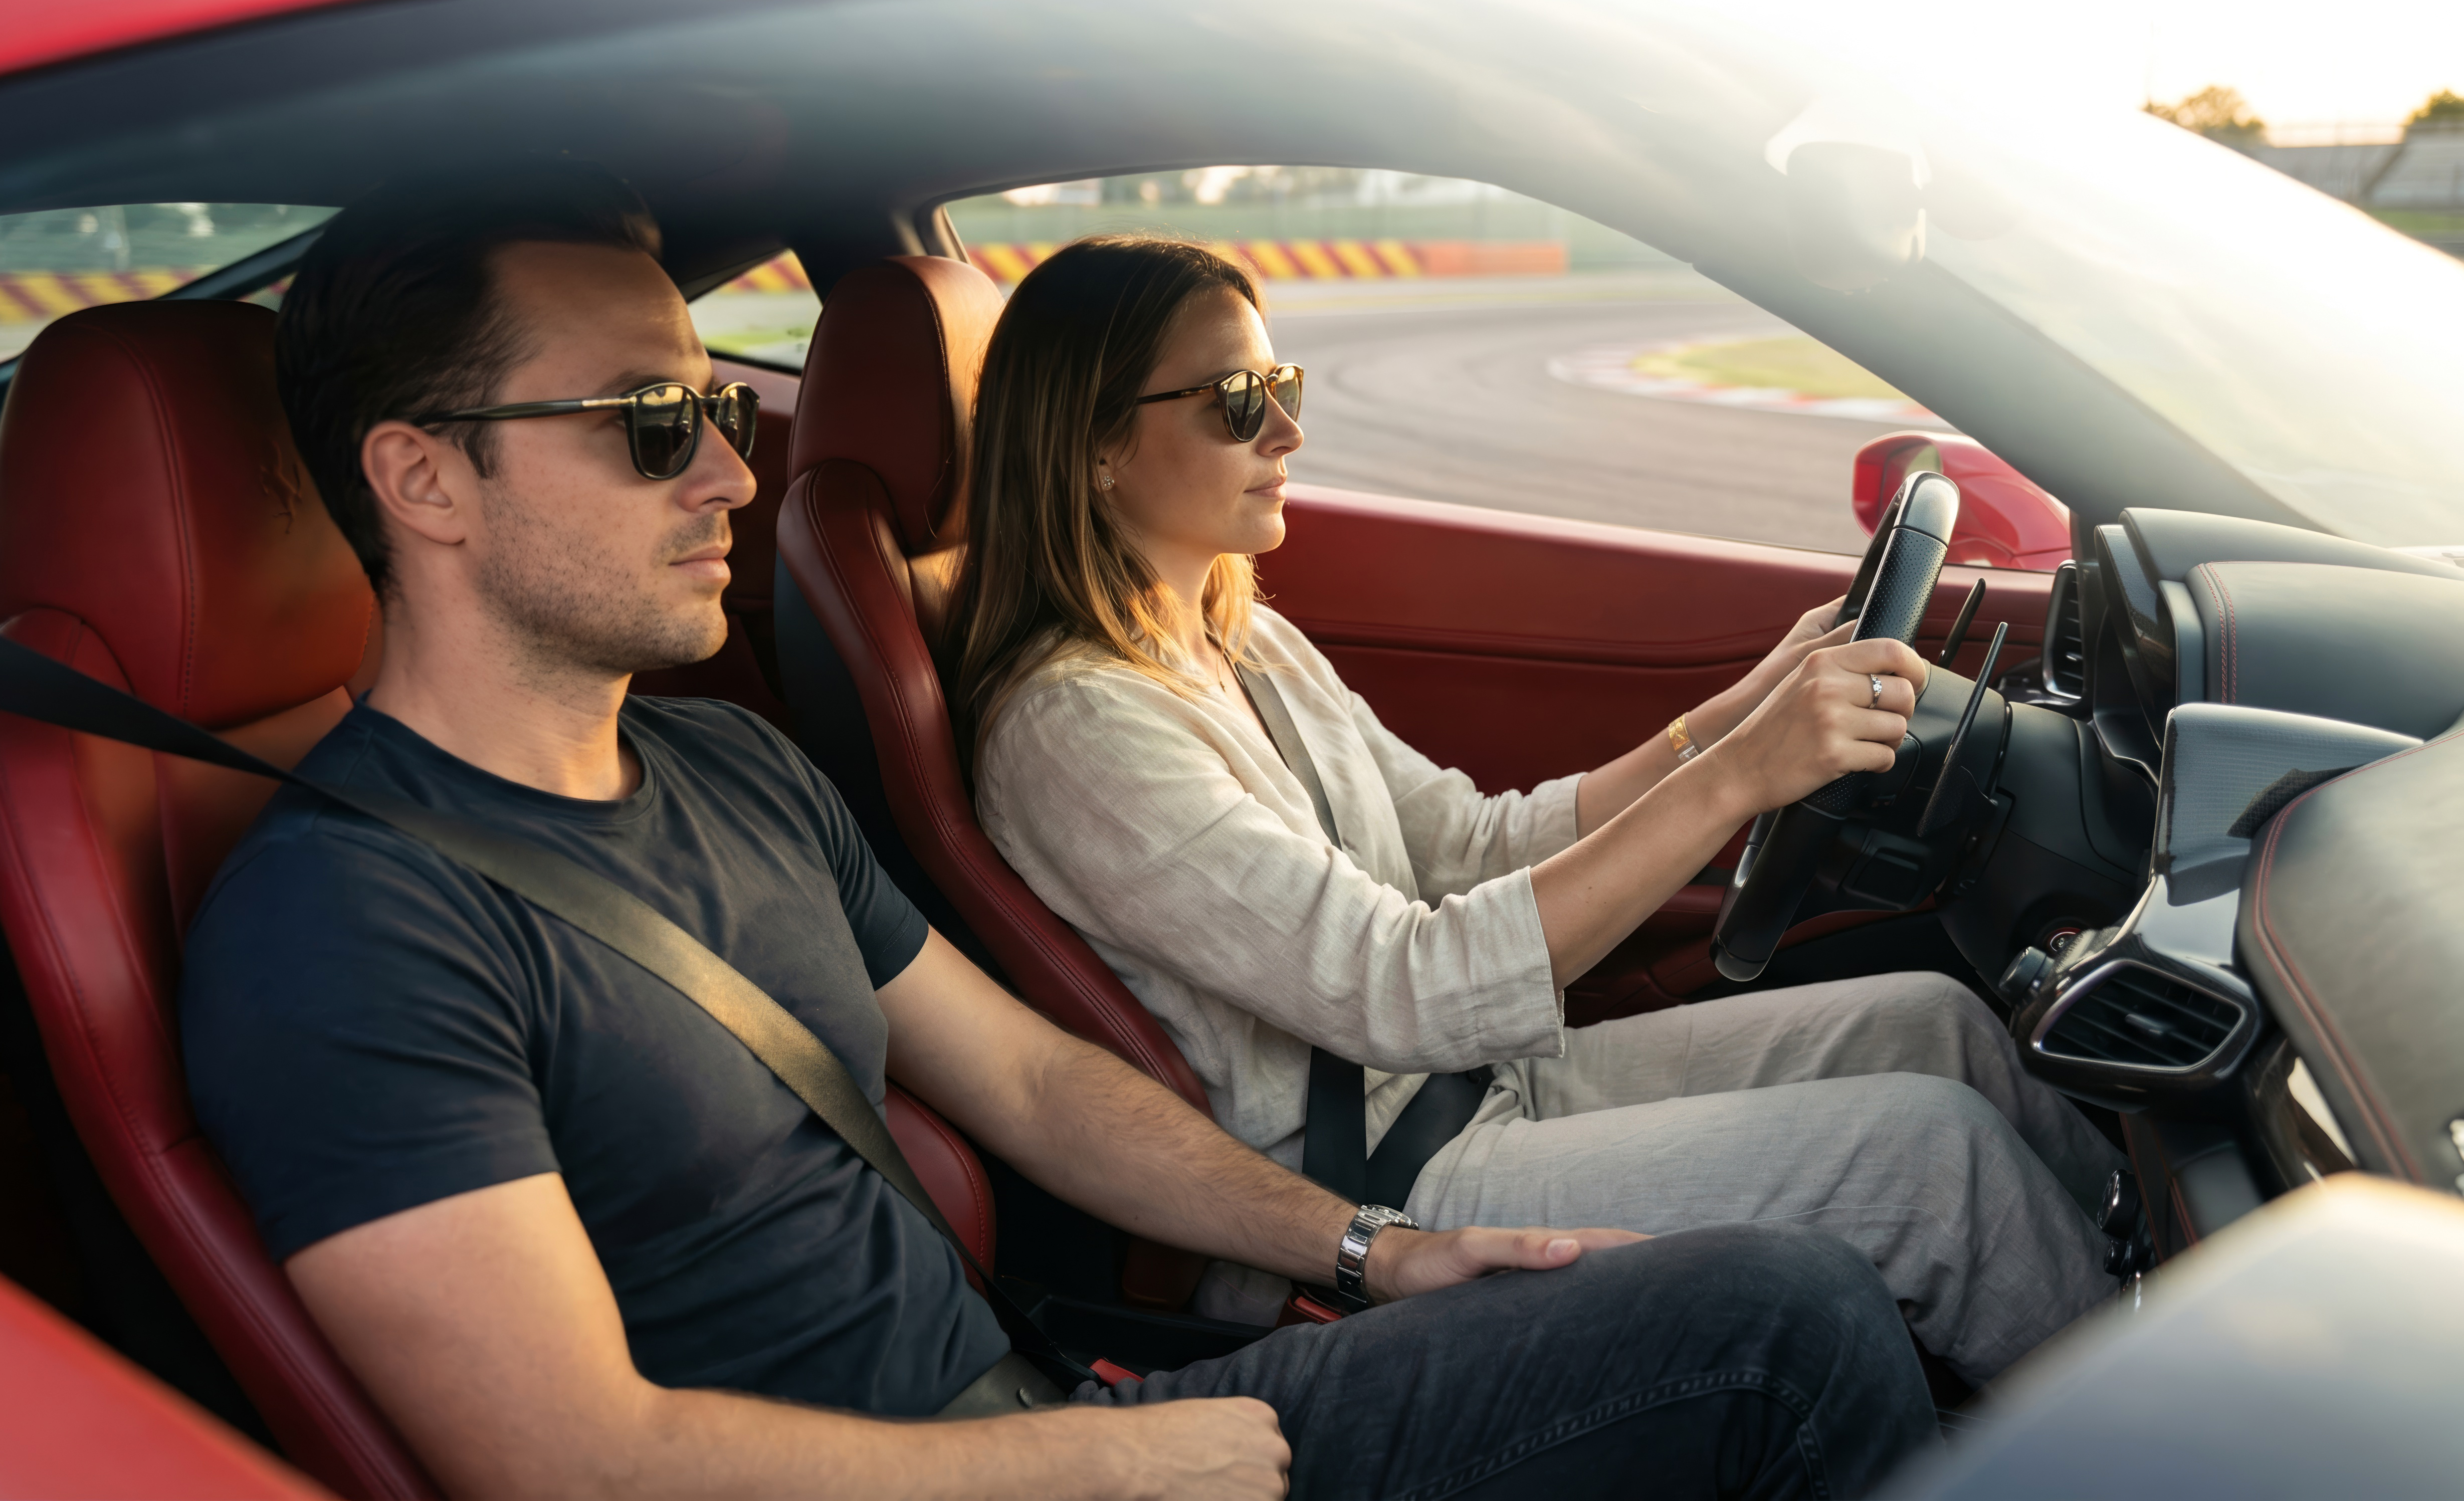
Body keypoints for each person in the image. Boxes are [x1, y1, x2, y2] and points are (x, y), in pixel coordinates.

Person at [175, 165, 1939, 1500]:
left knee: (1796, 1255)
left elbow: (1032, 1084)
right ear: (420, 481)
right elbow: (575, 1458)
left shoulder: (728, 771)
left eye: (719, 409)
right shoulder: (344, 929)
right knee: (1781, 1329)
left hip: (1043, 1413)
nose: (732, 472)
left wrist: (1363, 1252)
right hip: (1022, 1469)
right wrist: (1081, 1469)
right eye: (654, 426)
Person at [952, 235, 2123, 1385]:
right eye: (1237, 401)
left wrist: (1731, 719)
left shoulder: (1240, 637)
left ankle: (2146, 1298)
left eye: (1283, 386)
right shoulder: (1080, 730)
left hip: (1477, 1090)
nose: (1289, 430)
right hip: (1374, 1183)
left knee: (1939, 1023)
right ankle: (2190, 1438)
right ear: (1099, 446)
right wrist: (1735, 780)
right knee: (1930, 1165)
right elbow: (1399, 988)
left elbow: (1466, 844)